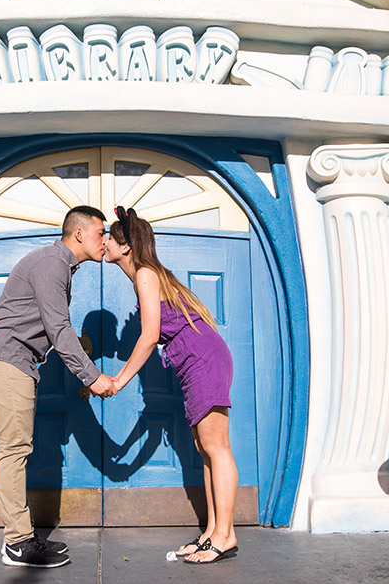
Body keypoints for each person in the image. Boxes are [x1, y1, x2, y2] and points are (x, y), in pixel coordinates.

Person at [0, 205, 117, 568]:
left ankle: (22, 537)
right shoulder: (52, 262)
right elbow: (58, 328)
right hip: (5, 359)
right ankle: (17, 544)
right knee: (14, 449)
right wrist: (92, 376)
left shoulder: (58, 266)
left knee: (17, 448)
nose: (105, 240)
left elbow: (54, 329)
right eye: (102, 233)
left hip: (11, 361)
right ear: (79, 233)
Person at [104, 206, 239, 564]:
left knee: (217, 447)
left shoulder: (146, 274)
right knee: (205, 447)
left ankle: (225, 535)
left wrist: (119, 380)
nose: (104, 243)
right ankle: (213, 532)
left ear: (126, 247)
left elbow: (149, 336)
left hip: (203, 359)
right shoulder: (147, 276)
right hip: (195, 360)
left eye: (110, 238)